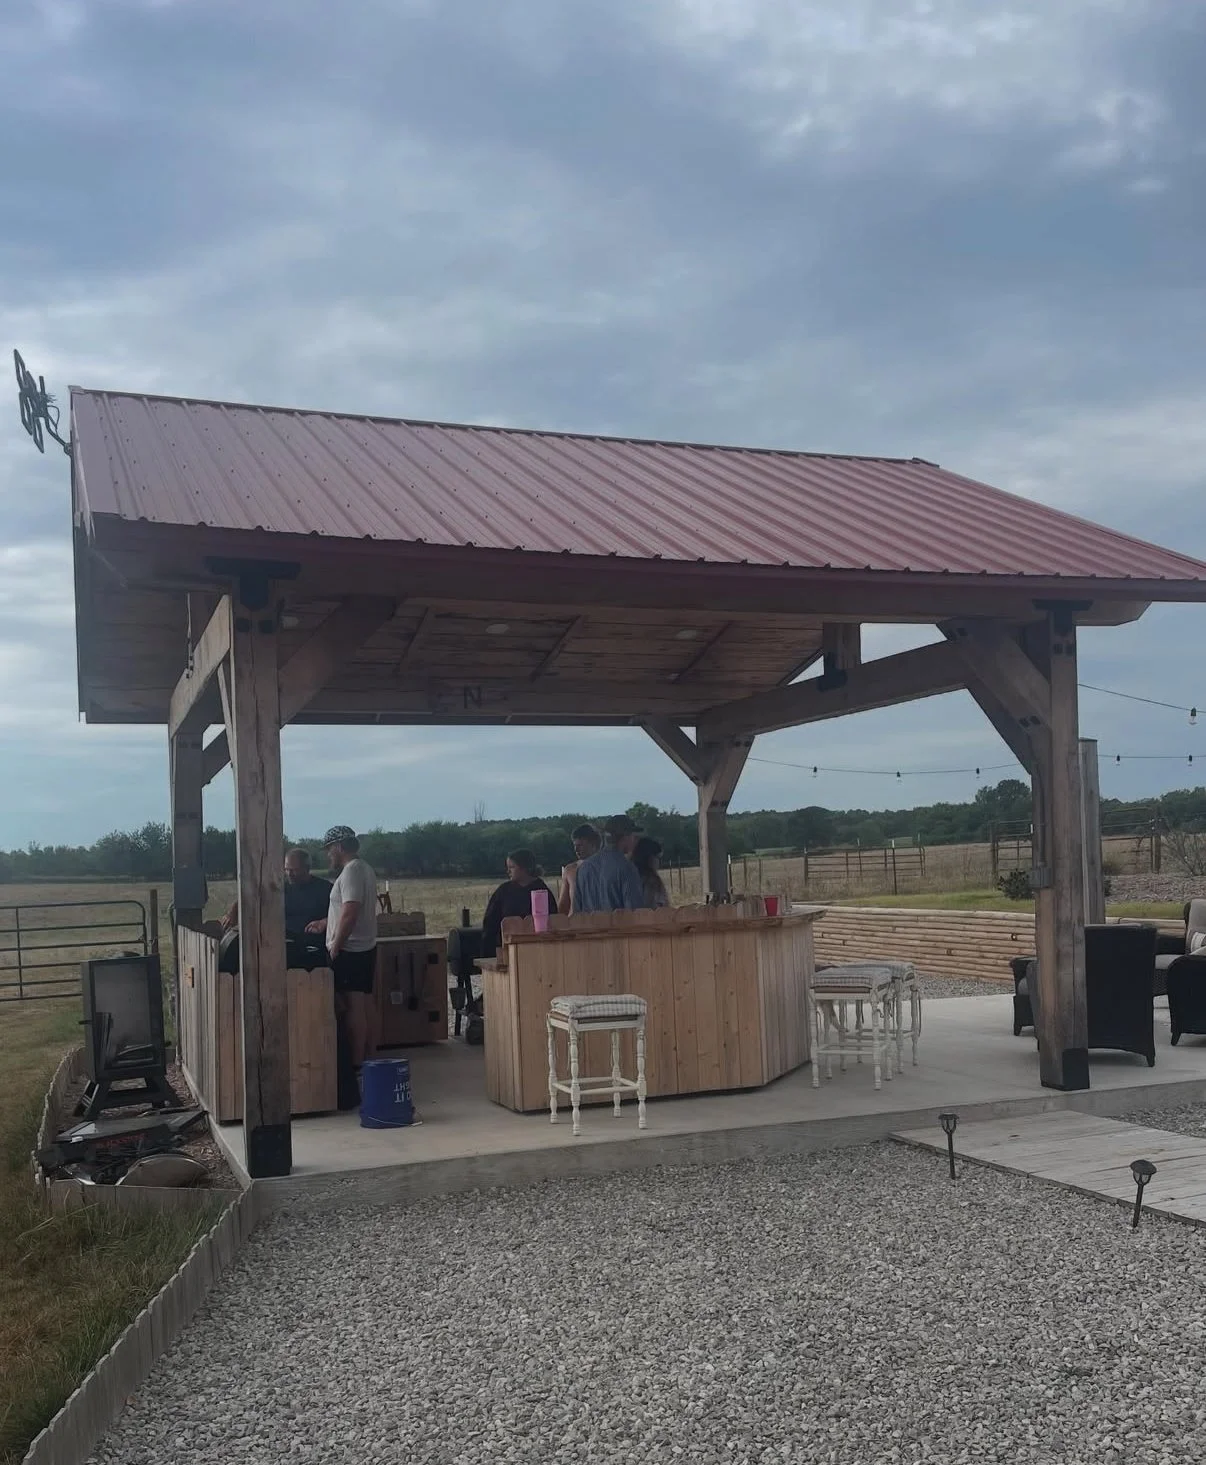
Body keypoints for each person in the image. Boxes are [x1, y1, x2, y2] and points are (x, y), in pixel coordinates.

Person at [305, 825, 379, 1068]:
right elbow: (345, 910)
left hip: (351, 950)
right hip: (364, 947)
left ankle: (358, 1063)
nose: (329, 855)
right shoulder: (364, 869)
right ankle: (369, 1058)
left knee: (355, 1007)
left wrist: (336, 944)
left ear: (339, 847)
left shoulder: (351, 872)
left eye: (329, 850)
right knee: (366, 1003)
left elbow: (350, 912)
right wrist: (326, 923)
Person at [219, 848, 332, 936]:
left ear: (307, 868)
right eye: (287, 869)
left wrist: (324, 922)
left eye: (294, 870)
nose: (289, 874)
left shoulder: (325, 889)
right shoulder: (280, 887)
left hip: (313, 944)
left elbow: (341, 915)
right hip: (283, 942)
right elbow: (252, 896)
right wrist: (233, 911)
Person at [481, 849, 560, 956]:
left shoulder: (541, 890)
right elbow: (490, 923)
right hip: (506, 950)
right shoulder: (503, 891)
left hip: (537, 950)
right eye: (507, 868)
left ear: (524, 868)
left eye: (512, 867)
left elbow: (552, 921)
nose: (508, 871)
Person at [572, 814, 649, 914]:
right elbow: (635, 912)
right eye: (633, 835)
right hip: (618, 929)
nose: (634, 839)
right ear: (625, 836)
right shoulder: (627, 867)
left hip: (589, 928)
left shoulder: (583, 868)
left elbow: (577, 912)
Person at [558, 823, 601, 916]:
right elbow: (563, 906)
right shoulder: (570, 870)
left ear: (593, 844)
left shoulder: (606, 869)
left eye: (581, 845)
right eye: (575, 845)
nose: (576, 849)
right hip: (574, 925)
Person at [632, 836, 670, 909]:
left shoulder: (631, 876)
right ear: (650, 858)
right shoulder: (653, 882)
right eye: (658, 857)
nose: (659, 862)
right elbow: (662, 907)